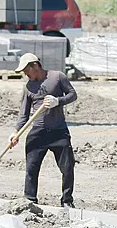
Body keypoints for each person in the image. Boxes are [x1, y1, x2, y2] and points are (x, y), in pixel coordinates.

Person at [8, 52, 78, 207]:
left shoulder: (57, 77)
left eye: (27, 70)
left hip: (58, 131)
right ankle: (29, 201)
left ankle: (67, 201)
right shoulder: (28, 87)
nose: (26, 74)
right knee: (31, 168)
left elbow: (73, 95)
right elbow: (24, 113)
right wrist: (16, 132)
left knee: (67, 168)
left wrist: (58, 101)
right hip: (38, 132)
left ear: (35, 65)